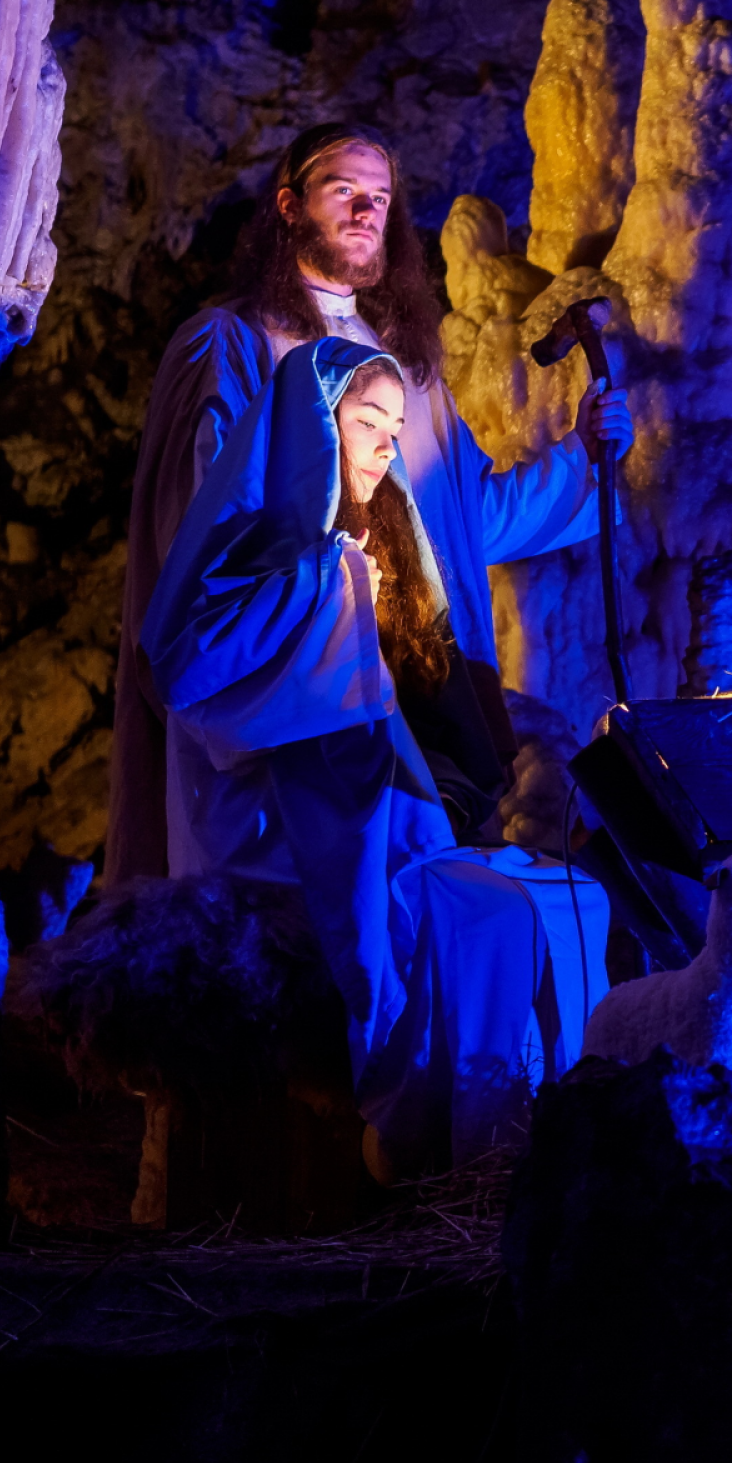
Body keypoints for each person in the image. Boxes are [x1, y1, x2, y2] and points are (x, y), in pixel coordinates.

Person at [110, 119, 628, 880]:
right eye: (343, 191)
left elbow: (459, 524)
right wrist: (320, 589)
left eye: (379, 198)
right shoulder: (230, 346)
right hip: (294, 690)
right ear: (289, 206)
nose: (364, 212)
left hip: (417, 683)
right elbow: (200, 537)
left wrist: (583, 461)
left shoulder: (407, 373)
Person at [143, 336, 602, 1176]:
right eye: (366, 421)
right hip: (277, 829)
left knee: (573, 902)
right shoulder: (259, 551)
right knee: (486, 922)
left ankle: (546, 1140)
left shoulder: (375, 542)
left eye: (397, 424)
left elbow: (392, 712)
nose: (390, 442)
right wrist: (324, 583)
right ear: (314, 426)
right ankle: (455, 1155)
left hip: (371, 806)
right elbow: (199, 678)